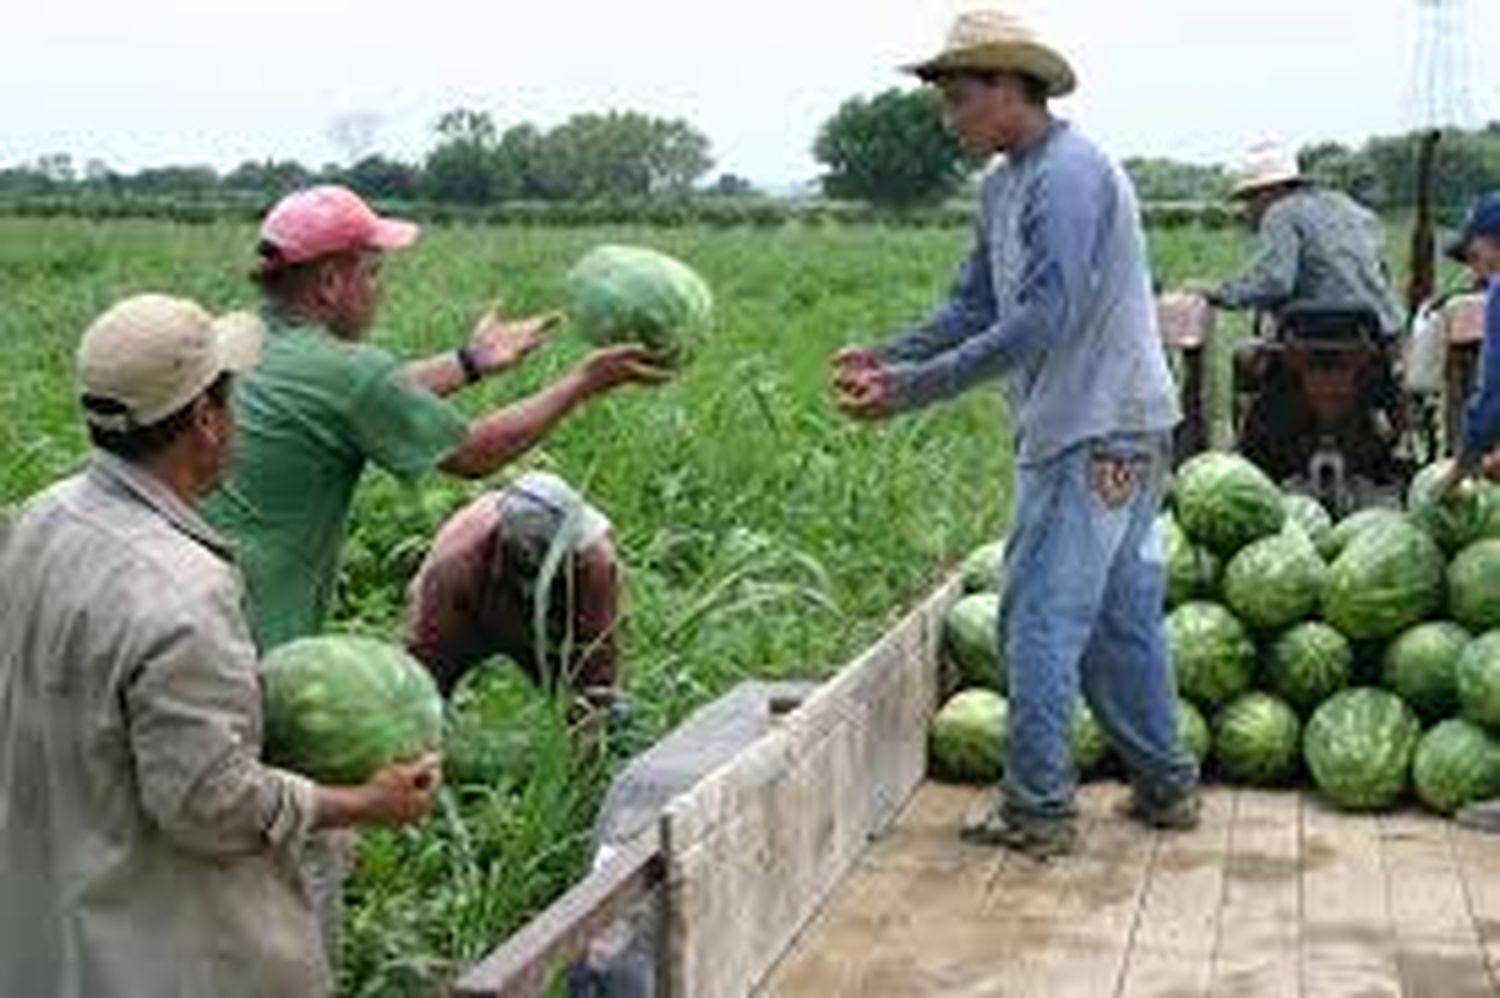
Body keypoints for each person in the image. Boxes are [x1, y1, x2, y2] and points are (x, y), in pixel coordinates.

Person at [200, 185, 667, 958]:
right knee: (289, 841)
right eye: (373, 273)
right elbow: (472, 452)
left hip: (167, 595)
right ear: (330, 283)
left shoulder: (239, 341)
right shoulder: (344, 373)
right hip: (245, 629)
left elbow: (366, 398)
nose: (378, 290)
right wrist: (585, 382)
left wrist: (469, 362)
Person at [833, 9, 1198, 860]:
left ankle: (1038, 807)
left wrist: (911, 391)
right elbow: (976, 305)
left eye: (958, 98)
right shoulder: (1003, 185)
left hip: (1094, 428)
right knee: (1118, 618)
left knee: (1036, 615)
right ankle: (1167, 785)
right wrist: (888, 354)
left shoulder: (1069, 174)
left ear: (1008, 87)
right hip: (1115, 426)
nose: (948, 117)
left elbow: (1043, 316)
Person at [0, 295, 439, 998]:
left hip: (47, 916)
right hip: (157, 951)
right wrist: (362, 802)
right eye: (235, 398)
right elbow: (209, 804)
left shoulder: (38, 518)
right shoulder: (182, 592)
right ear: (206, 421)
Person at [1206, 142, 1404, 478]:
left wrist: (1220, 293)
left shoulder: (1280, 213)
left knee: (1247, 359)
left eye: (1250, 199)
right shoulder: (1353, 210)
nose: (1248, 210)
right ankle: (1378, 433)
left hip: (1309, 345)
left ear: (1269, 191)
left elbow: (1275, 282)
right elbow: (1377, 270)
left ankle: (1250, 451)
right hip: (1372, 341)